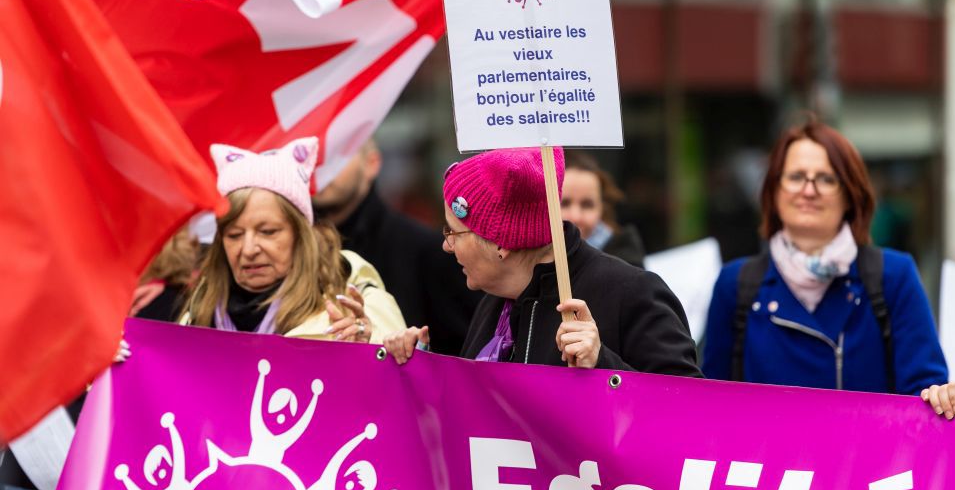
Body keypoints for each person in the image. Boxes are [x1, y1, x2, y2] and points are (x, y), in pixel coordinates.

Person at [384, 147, 702, 375]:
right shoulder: (495, 300)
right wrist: (418, 369)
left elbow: (690, 413)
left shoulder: (632, 293)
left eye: (454, 233)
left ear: (501, 245)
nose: (446, 246)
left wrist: (602, 363)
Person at [702, 118, 948, 394]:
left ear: (849, 195)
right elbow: (711, 406)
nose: (809, 190)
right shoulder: (735, 285)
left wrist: (948, 402)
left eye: (826, 179)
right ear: (774, 191)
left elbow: (926, 394)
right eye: (796, 177)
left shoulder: (893, 277)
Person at [180, 137, 405, 343]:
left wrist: (366, 347)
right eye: (234, 235)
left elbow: (407, 372)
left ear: (301, 235)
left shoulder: (354, 293)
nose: (248, 250)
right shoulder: (197, 311)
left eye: (267, 231)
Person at [312, 140, 479, 355]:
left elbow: (464, 354)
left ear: (371, 163)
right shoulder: (289, 251)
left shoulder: (426, 249)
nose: (321, 168)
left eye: (336, 156)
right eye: (313, 157)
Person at [560, 151, 645, 268]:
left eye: (587, 205)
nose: (576, 217)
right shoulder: (531, 259)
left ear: (602, 207)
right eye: (564, 203)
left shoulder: (626, 259)